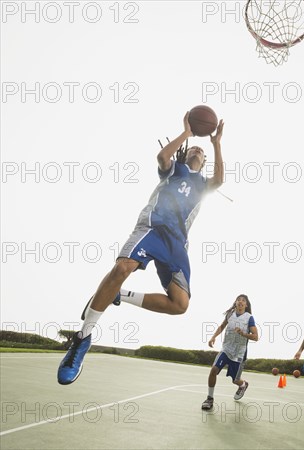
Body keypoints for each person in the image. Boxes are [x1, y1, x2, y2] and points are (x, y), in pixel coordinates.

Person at [57, 112, 224, 385]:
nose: (198, 149)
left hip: (177, 244)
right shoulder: (174, 169)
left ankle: (119, 295)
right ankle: (83, 338)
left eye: (202, 152)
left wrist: (216, 143)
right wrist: (186, 133)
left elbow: (219, 181)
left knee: (180, 305)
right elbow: (162, 158)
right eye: (195, 147)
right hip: (152, 228)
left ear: (205, 161)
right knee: (123, 267)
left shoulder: (203, 184)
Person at [202, 294, 259, 411]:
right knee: (213, 370)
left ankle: (243, 385)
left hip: (239, 354)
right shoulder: (230, 314)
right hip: (226, 349)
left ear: (246, 305)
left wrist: (243, 334)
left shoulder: (249, 318)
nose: (240, 302)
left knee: (235, 380)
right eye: (239, 300)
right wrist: (213, 337)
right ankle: (209, 398)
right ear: (236, 302)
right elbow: (222, 326)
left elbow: (255, 337)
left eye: (243, 300)